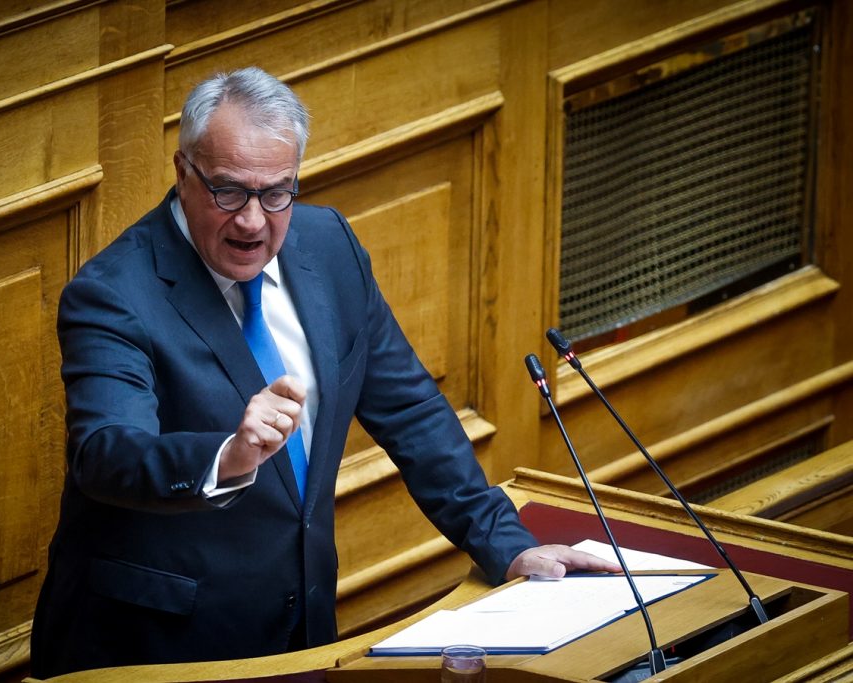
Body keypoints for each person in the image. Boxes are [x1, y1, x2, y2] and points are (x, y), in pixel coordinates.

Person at [30, 66, 617, 677]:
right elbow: (106, 453)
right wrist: (227, 456)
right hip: (157, 646)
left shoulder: (328, 246)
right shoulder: (114, 293)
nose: (252, 220)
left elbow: (410, 411)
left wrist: (507, 545)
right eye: (228, 191)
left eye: (275, 193)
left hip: (302, 626)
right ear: (183, 172)